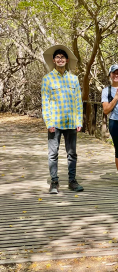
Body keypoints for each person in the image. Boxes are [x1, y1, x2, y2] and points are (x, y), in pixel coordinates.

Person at [41, 45, 84, 194]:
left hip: (71, 122)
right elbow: (45, 102)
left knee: (72, 154)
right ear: (54, 60)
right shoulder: (47, 79)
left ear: (66, 60)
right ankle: (54, 182)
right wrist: (48, 122)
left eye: (63, 57)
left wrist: (79, 121)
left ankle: (72, 181)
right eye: (58, 57)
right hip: (55, 123)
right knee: (53, 154)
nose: (60, 59)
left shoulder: (74, 79)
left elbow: (78, 101)